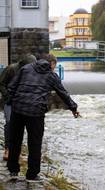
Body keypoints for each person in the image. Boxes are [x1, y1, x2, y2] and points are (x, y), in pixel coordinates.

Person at [7, 54, 80, 182]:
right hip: (35, 113)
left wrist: (11, 101)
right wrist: (73, 108)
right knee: (35, 143)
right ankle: (32, 175)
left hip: (17, 110)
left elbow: (12, 86)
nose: (54, 69)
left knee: (15, 141)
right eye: (55, 66)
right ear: (51, 63)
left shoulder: (26, 68)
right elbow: (63, 93)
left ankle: (13, 171)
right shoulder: (51, 75)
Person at [0, 54, 37, 161]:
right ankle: (7, 149)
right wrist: (7, 96)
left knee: (19, 127)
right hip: (9, 102)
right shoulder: (11, 69)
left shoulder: (31, 71)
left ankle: (16, 151)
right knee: (9, 123)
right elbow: (1, 83)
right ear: (23, 64)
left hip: (22, 102)